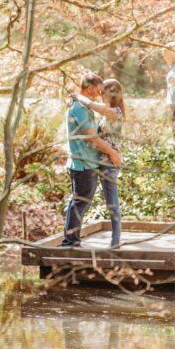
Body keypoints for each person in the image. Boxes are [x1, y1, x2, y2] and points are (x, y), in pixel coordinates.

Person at [62, 74, 121, 247]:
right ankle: (71, 241)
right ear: (90, 88)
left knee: (80, 202)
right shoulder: (80, 109)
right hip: (82, 164)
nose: (99, 92)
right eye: (98, 89)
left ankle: (71, 238)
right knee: (80, 202)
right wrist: (112, 153)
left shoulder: (84, 106)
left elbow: (102, 110)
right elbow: (92, 138)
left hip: (88, 162)